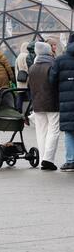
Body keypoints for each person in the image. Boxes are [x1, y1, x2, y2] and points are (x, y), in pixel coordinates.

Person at [29, 42, 60, 171]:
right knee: (54, 130)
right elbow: (55, 83)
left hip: (37, 102)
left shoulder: (32, 67)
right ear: (48, 51)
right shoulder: (52, 65)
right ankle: (48, 159)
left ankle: (43, 158)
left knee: (41, 132)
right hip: (52, 102)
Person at [50, 35, 74, 171]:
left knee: (70, 132)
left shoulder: (60, 60)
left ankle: (71, 161)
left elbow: (52, 80)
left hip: (66, 101)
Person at [15, 42, 30, 112]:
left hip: (19, 80)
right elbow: (27, 67)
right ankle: (30, 110)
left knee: (20, 96)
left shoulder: (18, 57)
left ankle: (19, 111)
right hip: (26, 80)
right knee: (30, 96)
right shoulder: (25, 56)